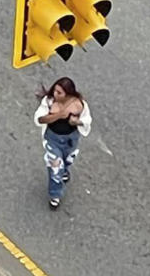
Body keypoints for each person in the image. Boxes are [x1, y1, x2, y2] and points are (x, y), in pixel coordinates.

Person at [33, 77, 91, 210]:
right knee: (55, 167)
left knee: (68, 159)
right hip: (53, 139)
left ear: (68, 94)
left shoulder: (78, 104)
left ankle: (65, 170)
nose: (55, 95)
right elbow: (40, 119)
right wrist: (59, 115)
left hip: (71, 139)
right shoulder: (49, 102)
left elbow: (86, 120)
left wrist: (76, 122)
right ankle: (55, 195)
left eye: (60, 93)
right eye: (55, 91)